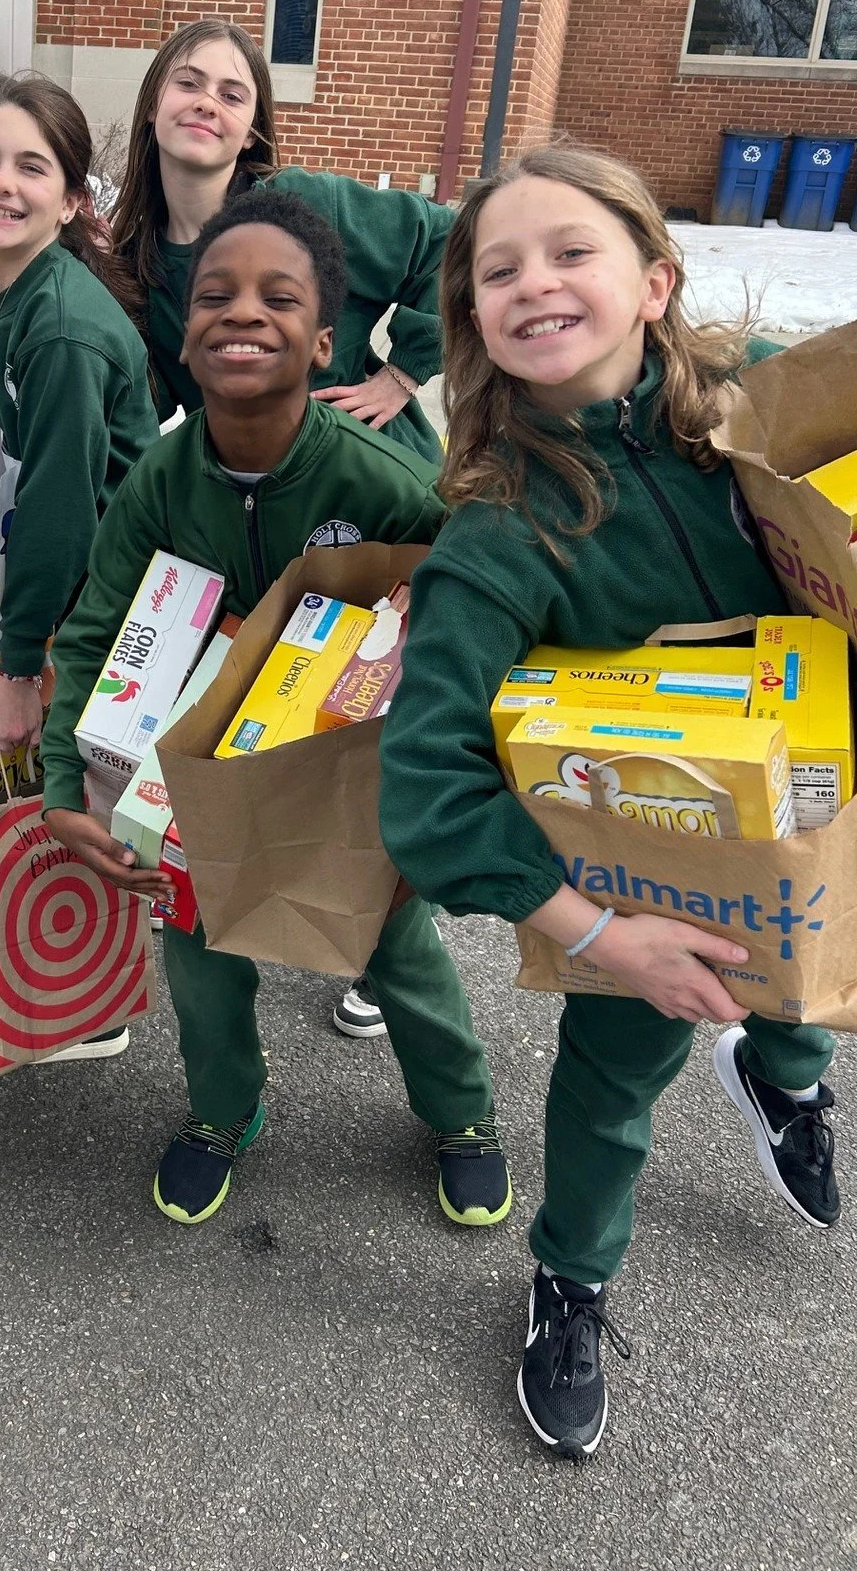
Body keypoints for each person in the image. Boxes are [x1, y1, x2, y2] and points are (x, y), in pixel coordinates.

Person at [378, 144, 842, 1460]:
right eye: (496, 271)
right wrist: (599, 934)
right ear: (470, 322)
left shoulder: (769, 414)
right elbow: (426, 791)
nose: (533, 283)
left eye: (569, 251)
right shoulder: (502, 534)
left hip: (817, 796)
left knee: (812, 978)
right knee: (615, 1080)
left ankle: (787, 1078)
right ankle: (572, 1282)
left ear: (654, 280)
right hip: (647, 881)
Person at [43, 190, 510, 1228]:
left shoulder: (387, 479)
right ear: (184, 325)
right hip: (199, 771)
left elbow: (476, 616)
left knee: (395, 947)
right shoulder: (160, 481)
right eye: (215, 293)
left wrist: (442, 785)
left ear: (325, 338)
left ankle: (462, 1113)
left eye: (277, 297)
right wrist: (64, 789)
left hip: (348, 766)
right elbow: (91, 633)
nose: (242, 312)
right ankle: (224, 1110)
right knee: (200, 955)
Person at [109, 17, 452, 1042]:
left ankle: (395, 923)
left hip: (362, 488)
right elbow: (148, 404)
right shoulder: (135, 251)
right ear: (154, 104)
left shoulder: (306, 211)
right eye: (188, 81)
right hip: (257, 506)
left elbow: (446, 242)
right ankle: (292, 896)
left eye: (232, 90)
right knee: (295, 705)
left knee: (387, 709)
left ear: (255, 124)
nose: (206, 101)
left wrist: (404, 368)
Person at [0, 72, 160, 1063]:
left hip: (101, 589)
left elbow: (70, 513)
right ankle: (42, 958)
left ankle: (95, 1001)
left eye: (33, 166)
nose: (1, 182)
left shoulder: (64, 328)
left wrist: (22, 658)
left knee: (80, 787)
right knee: (46, 783)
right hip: (34, 563)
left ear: (73, 199)